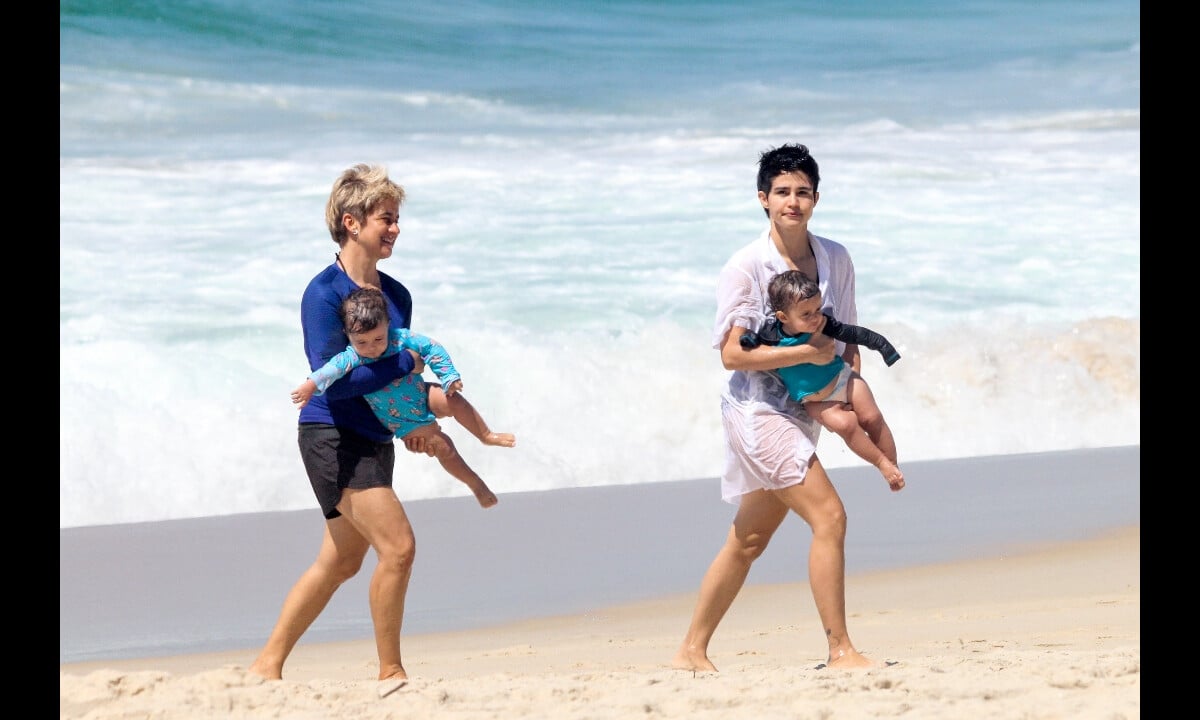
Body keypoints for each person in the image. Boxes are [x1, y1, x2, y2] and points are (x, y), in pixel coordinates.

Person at [673, 143, 905, 674]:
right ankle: (840, 650)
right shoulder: (746, 267)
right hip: (757, 414)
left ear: (816, 198)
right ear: (763, 199)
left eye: (802, 191)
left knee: (750, 537)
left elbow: (844, 341)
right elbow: (733, 354)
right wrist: (806, 353)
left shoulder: (835, 259)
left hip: (808, 409)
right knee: (830, 516)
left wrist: (845, 391)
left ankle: (690, 650)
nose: (792, 201)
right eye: (782, 192)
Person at [250, 163, 440, 697]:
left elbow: (382, 379)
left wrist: (413, 423)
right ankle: (391, 673)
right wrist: (409, 368)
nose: (396, 229)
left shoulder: (397, 294)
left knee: (340, 560)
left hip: (376, 437)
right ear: (352, 222)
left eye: (398, 219)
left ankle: (266, 665)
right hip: (330, 436)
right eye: (387, 219)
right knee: (398, 548)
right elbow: (334, 382)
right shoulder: (323, 294)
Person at [291, 285, 514, 509]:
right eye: (362, 342)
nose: (372, 348)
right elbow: (330, 371)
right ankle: (476, 485)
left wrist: (448, 376)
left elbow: (431, 348)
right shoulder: (351, 356)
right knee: (443, 447)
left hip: (422, 393)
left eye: (379, 339)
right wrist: (310, 385)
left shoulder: (400, 339)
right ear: (347, 336)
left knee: (453, 399)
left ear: (388, 324)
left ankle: (485, 435)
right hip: (404, 418)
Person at [755, 270, 903, 489]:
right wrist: (746, 341)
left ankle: (892, 467)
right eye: (806, 314)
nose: (815, 317)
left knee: (872, 418)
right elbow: (749, 348)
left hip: (844, 379)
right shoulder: (772, 336)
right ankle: (881, 462)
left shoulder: (824, 324)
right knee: (847, 425)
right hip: (815, 402)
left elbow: (856, 334)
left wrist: (883, 347)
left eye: (817, 309)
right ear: (783, 317)